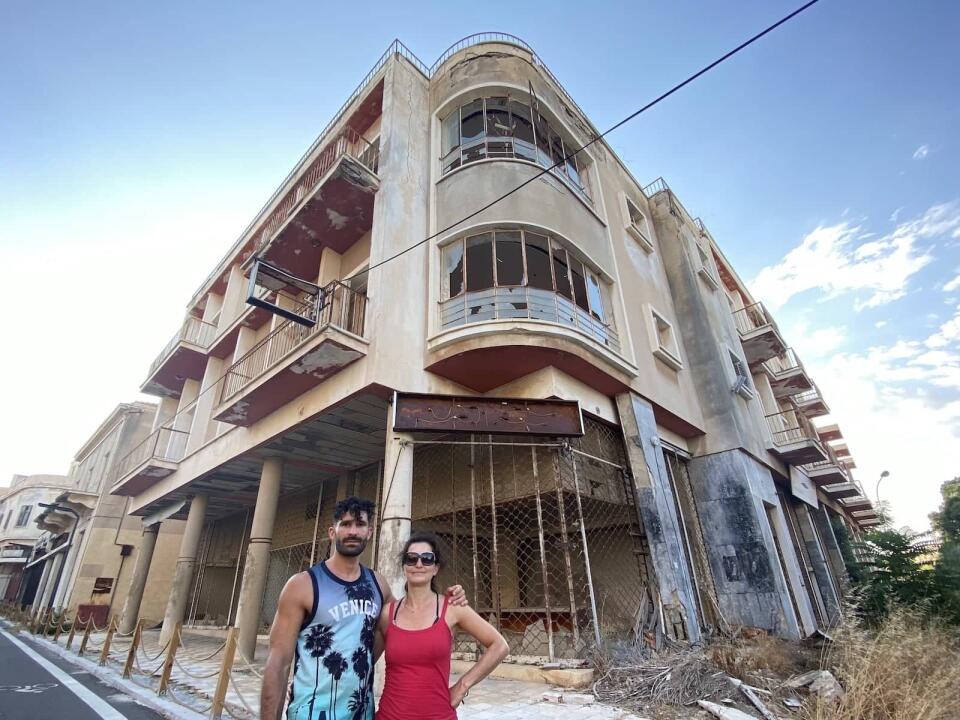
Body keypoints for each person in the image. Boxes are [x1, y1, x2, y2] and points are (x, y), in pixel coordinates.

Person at [260, 497, 467, 720]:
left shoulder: (377, 585)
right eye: (346, 524)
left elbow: (411, 619)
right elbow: (277, 664)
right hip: (312, 712)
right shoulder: (303, 585)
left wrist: (448, 604)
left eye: (360, 525)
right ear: (332, 532)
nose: (353, 531)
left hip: (361, 712)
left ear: (369, 532)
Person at [375, 533, 509, 720]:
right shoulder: (387, 614)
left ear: (436, 568)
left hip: (439, 715)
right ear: (404, 566)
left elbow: (499, 645)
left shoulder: (453, 608)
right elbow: (366, 661)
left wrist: (463, 686)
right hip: (390, 715)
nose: (419, 564)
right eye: (411, 559)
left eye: (427, 559)